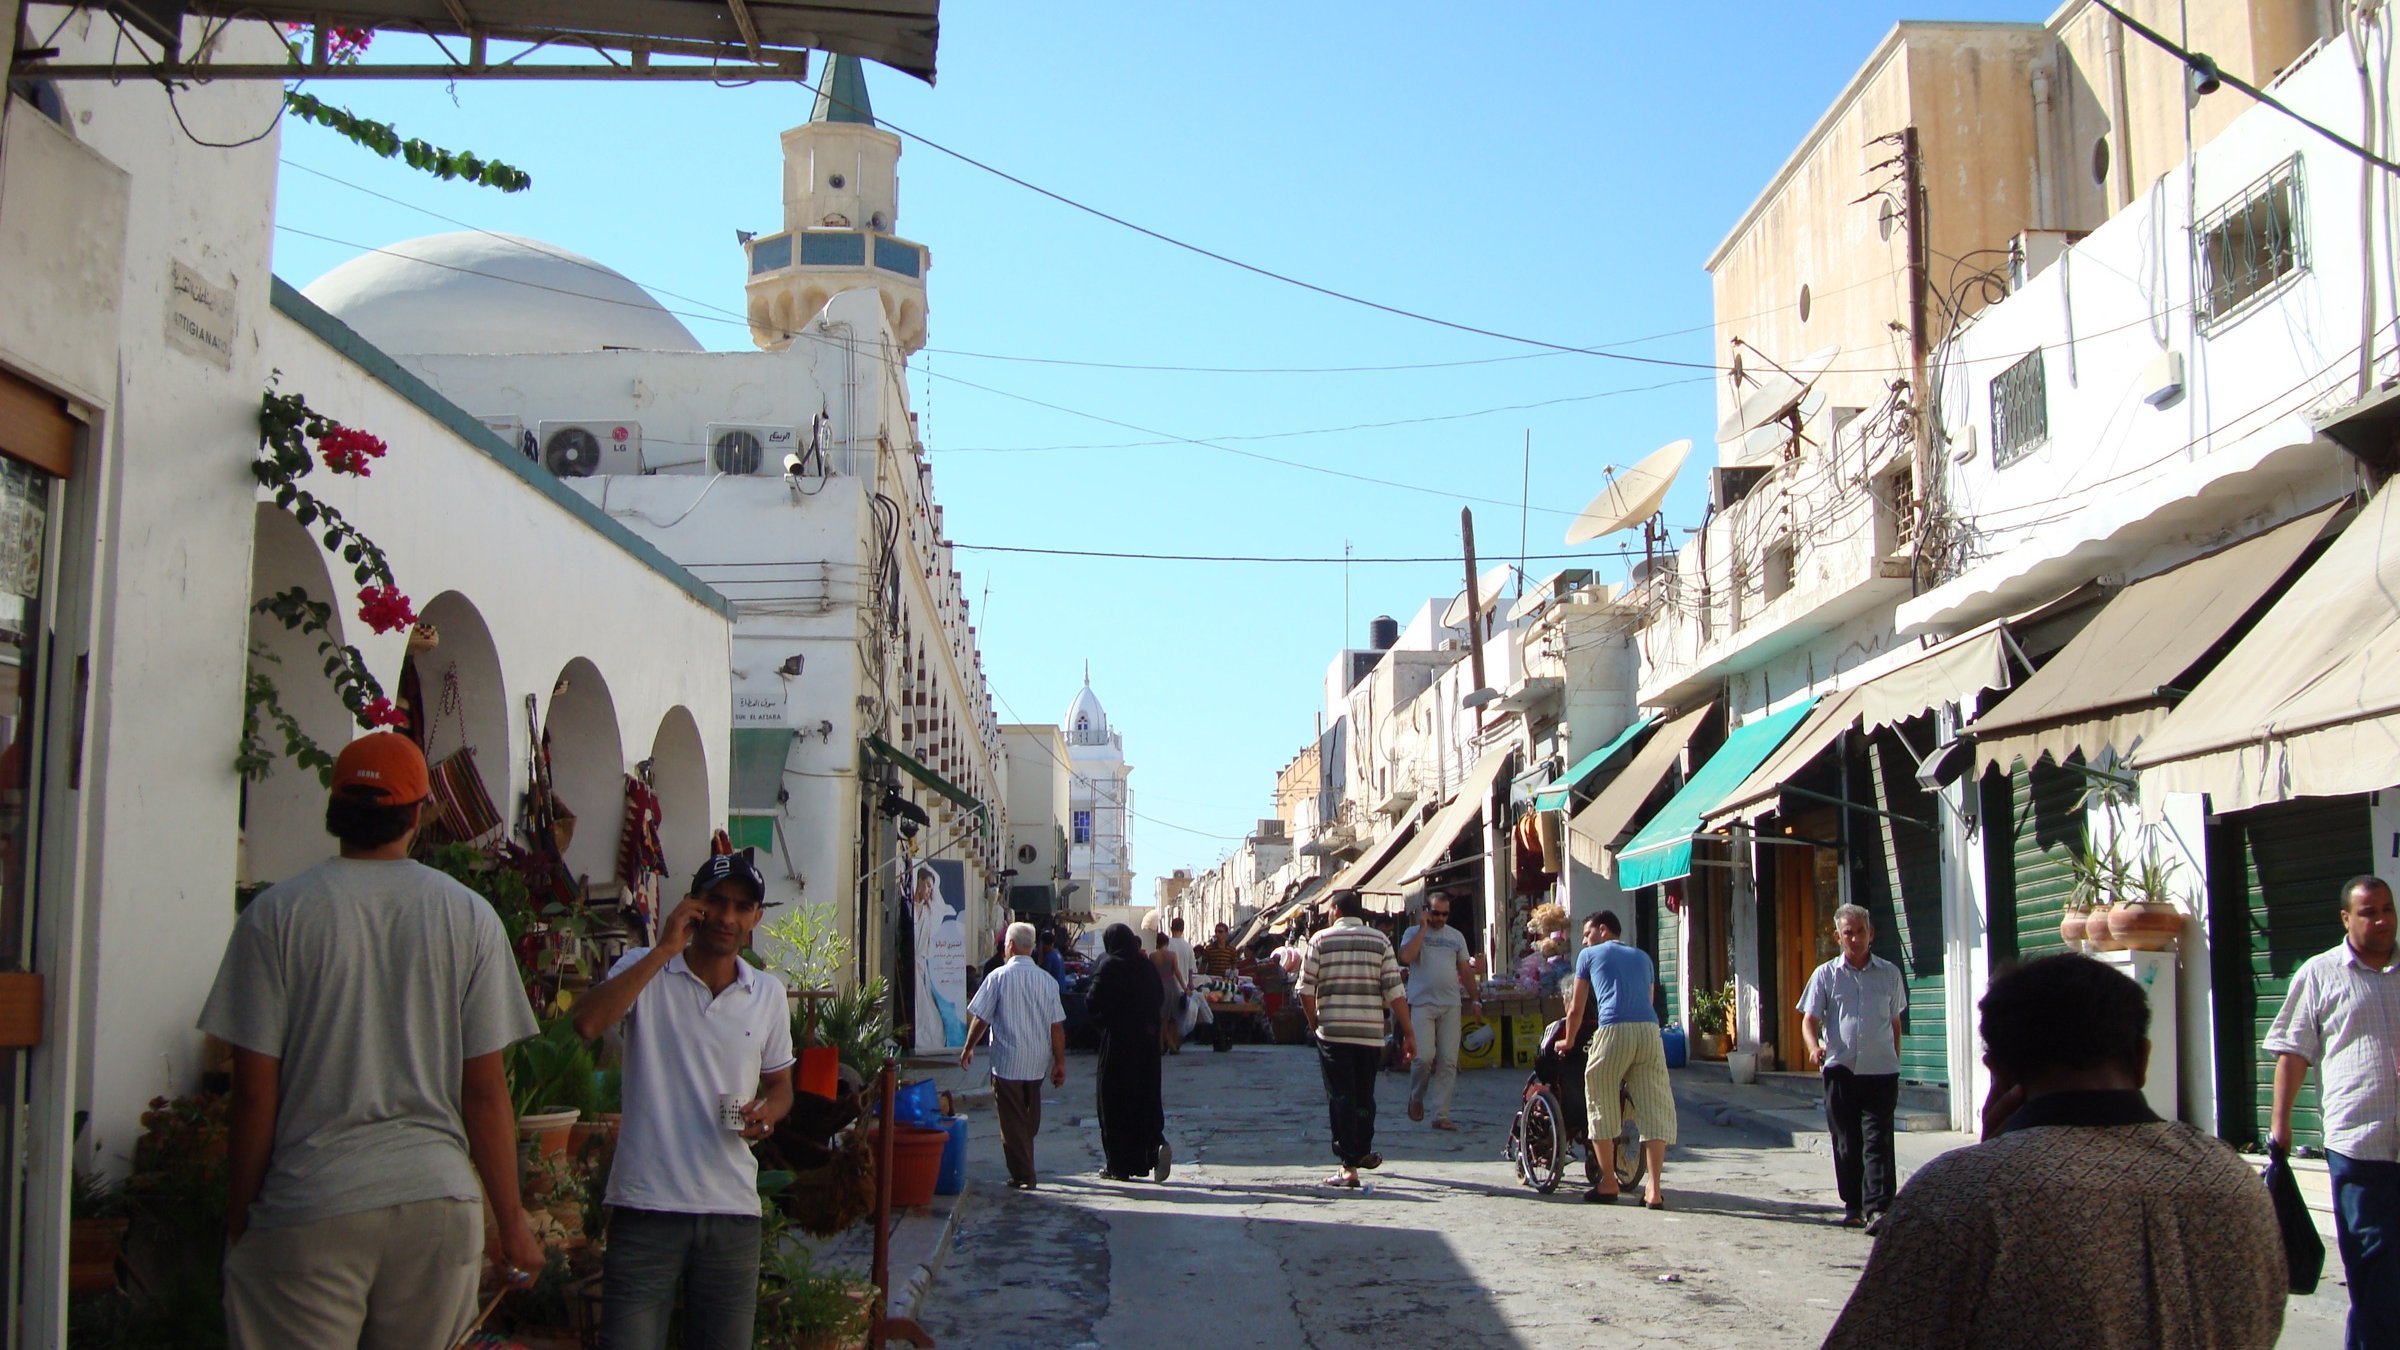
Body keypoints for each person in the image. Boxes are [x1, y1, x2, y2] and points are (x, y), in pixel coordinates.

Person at [199, 732, 545, 1350]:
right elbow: (486, 1092)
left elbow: (254, 1093)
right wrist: (512, 1223)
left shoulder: (276, 916)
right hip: (438, 1203)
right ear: (417, 815)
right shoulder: (467, 916)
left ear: (334, 809)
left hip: (313, 1201)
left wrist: (240, 1220)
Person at [1825, 953, 2285, 1347]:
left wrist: (1993, 1161)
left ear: (1997, 1072)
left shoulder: (1959, 1197)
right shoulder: (2234, 1182)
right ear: (2142, 1060)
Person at [570, 848, 793, 1350]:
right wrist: (663, 951)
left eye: (741, 907)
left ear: (755, 918)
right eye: (716, 902)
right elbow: (585, 1023)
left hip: (732, 1211)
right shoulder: (645, 972)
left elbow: (781, 1087)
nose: (727, 917)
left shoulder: (768, 994)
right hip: (647, 1205)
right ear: (693, 905)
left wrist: (768, 1115)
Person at [2265, 874, 2400, 1349]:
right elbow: (2293, 1052)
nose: (2382, 919)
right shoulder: (2320, 974)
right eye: (2369, 912)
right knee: (2373, 1266)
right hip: (2360, 1145)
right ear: (2346, 918)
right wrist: (2280, 1128)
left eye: (2387, 908)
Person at [1798, 902, 1908, 1231]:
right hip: (1841, 1070)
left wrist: (1895, 1059)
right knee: (1847, 1141)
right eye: (1849, 933)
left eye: (1861, 932)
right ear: (1838, 937)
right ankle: (1854, 1205)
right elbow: (1809, 1020)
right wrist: (1813, 1046)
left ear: (1871, 934)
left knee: (1878, 1139)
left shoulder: (1889, 974)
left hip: (1881, 1071)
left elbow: (1895, 1023)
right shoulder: (1825, 975)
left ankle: (1879, 1207)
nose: (1856, 939)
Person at [1298, 889, 1416, 1189]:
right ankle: (1361, 1148)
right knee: (1364, 1094)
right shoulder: (1380, 941)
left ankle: (1349, 1164)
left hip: (1334, 1032)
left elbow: (1305, 988)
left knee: (1340, 1096)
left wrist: (1314, 1022)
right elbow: (1394, 990)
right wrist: (1409, 1032)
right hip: (1370, 1033)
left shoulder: (1320, 940)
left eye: (1329, 909)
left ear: (1336, 910)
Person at [1560, 911, 1672, 1207]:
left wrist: (1568, 1041)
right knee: (1654, 1106)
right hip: (1649, 1032)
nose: (1584, 940)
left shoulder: (1589, 956)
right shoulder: (1644, 957)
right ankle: (1654, 1190)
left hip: (1613, 1030)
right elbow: (1648, 1002)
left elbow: (1575, 1009)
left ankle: (1608, 1182)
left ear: (1603, 929)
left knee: (1598, 1097)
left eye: (1587, 934)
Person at [962, 922, 1068, 1190]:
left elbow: (980, 1018)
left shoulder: (998, 977)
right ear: (1031, 947)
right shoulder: (1047, 982)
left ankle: (1025, 1174)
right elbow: (1057, 1026)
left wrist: (968, 1047)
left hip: (1007, 1062)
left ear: (1010, 945)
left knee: (1012, 1122)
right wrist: (1060, 1062)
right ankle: (1023, 1167)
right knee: (1027, 1120)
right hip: (1036, 1062)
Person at [1085, 923, 1170, 1182]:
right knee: (1145, 1098)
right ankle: (1153, 1149)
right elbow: (1159, 998)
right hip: (1147, 1045)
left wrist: (1105, 1021)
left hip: (1119, 1045)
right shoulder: (1146, 966)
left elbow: (1091, 1001)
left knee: (1114, 1103)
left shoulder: (1110, 966)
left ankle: (1119, 1166)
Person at [1397, 889, 1481, 1130]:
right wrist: (1423, 929)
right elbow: (1406, 957)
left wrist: (1475, 1000)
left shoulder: (1456, 937)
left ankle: (1440, 1114)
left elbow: (1465, 970)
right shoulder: (1412, 933)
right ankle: (1416, 1096)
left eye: (1445, 914)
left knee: (1448, 1060)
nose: (1441, 919)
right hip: (1422, 1004)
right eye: (1436, 913)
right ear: (1426, 911)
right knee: (1423, 1058)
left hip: (1450, 1004)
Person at [1151, 930, 1186, 1054]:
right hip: (1171, 986)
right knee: (1170, 1018)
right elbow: (1177, 972)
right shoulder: (1172, 955)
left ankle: (1161, 1044)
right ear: (1166, 942)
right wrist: (1185, 987)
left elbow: (1152, 974)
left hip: (1158, 986)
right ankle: (1171, 1044)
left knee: (1161, 1017)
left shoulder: (1152, 956)